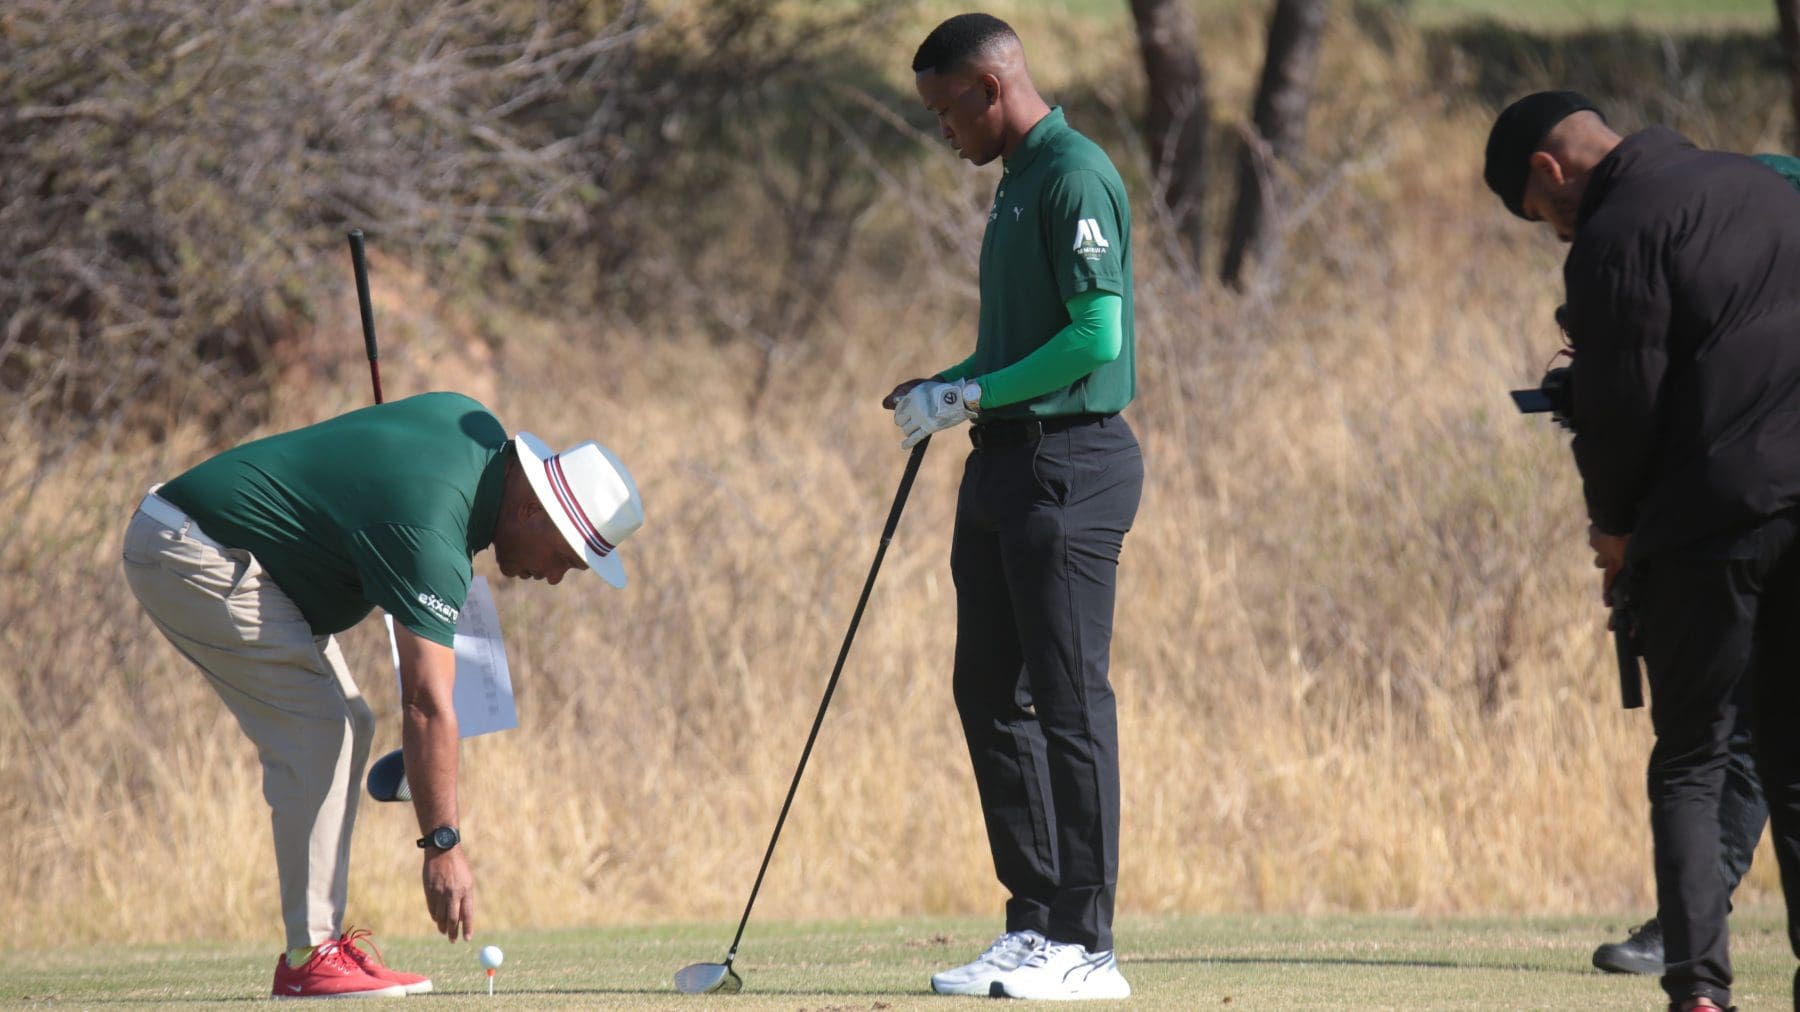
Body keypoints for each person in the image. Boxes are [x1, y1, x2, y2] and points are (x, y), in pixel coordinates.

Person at [121, 391, 643, 999]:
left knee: (352, 722)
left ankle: (321, 946)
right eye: (565, 559)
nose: (553, 577)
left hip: (229, 551)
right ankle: (310, 957)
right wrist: (443, 844)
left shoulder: (470, 431)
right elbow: (426, 703)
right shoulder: (431, 535)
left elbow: (388, 462)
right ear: (530, 510)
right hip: (194, 548)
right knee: (321, 731)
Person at [1484, 91, 1800, 1012]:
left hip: (1708, 528)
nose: (1557, 233)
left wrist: (1614, 529)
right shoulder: (1766, 191)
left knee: (1692, 761)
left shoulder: (1617, 235)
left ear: (1549, 169)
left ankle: (1699, 988)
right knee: (1793, 763)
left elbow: (1623, 413)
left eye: (1544, 215)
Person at [884, 12, 1143, 1001]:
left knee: (1070, 700)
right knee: (989, 691)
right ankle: (1034, 923)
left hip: (1069, 466)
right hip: (1003, 466)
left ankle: (1088, 945)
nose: (944, 130)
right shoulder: (1018, 182)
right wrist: (945, 386)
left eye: (947, 111)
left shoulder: (1074, 174)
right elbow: (1011, 349)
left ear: (990, 89)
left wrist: (973, 395)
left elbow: (1094, 337)